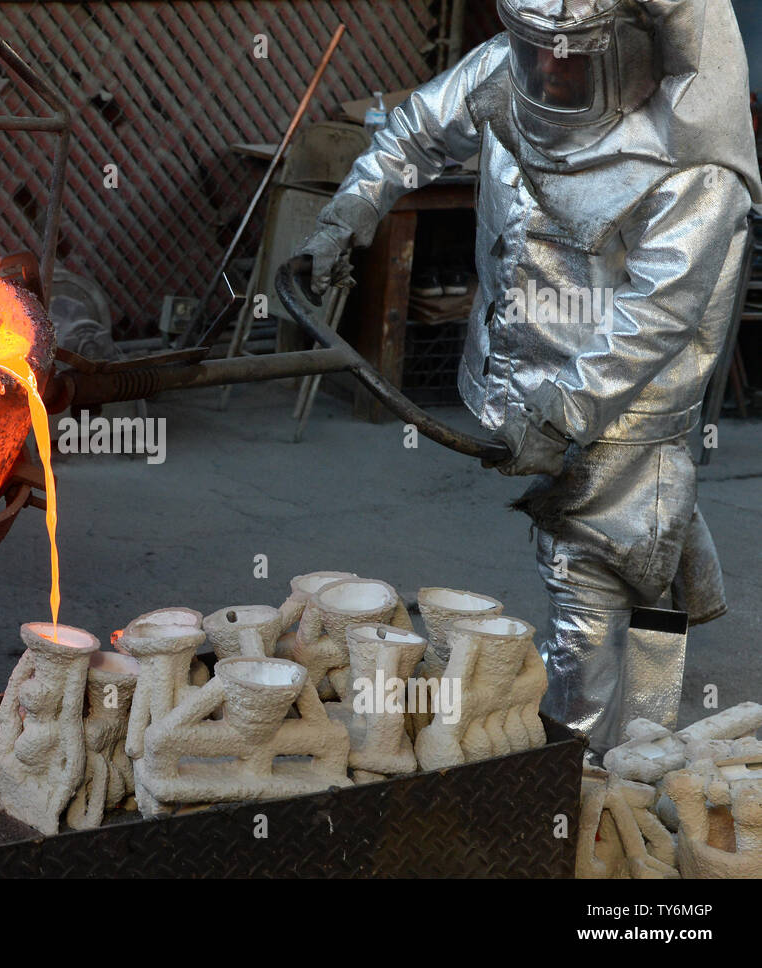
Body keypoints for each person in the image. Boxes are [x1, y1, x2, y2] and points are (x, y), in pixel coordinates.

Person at [299, 0, 762, 755]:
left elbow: (654, 315)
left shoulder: (690, 163)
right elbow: (415, 131)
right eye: (531, 49)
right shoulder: (508, 75)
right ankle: (642, 753)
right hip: (530, 383)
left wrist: (559, 419)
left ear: (630, 52)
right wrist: (346, 214)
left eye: (571, 58)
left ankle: (576, 782)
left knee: (584, 580)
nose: (546, 72)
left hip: (622, 411)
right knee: (643, 555)